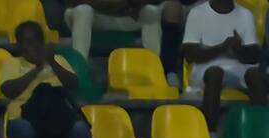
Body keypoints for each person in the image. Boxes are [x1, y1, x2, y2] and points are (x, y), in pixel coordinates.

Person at [2, 21, 95, 138]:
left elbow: (73, 84)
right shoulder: (12, 64)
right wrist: (38, 68)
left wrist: (51, 62)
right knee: (24, 132)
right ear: (18, 45)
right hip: (24, 119)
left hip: (58, 120)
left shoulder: (58, 60)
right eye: (26, 41)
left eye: (35, 39)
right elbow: (8, 91)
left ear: (42, 42)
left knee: (81, 130)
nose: (32, 45)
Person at [183, 0, 266, 131]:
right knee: (215, 73)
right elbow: (190, 54)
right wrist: (222, 47)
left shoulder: (245, 14)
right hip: (204, 68)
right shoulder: (197, 13)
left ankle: (261, 132)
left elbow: (253, 57)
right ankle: (210, 133)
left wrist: (239, 50)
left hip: (237, 67)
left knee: (255, 76)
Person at [64, 0, 163, 61]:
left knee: (151, 11)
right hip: (86, 14)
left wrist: (130, 2)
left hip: (122, 14)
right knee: (83, 10)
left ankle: (154, 65)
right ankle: (80, 66)